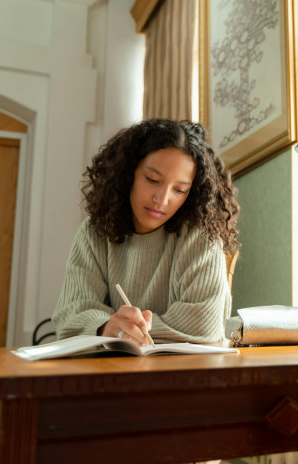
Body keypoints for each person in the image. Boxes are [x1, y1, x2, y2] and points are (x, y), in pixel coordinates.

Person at [52, 119, 240, 346]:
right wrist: (106, 327)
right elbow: (70, 316)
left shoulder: (201, 236)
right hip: (112, 374)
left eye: (179, 190)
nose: (161, 200)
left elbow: (204, 325)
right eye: (152, 180)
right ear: (127, 173)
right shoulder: (94, 233)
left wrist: (123, 332)